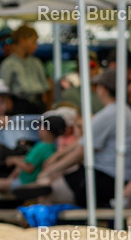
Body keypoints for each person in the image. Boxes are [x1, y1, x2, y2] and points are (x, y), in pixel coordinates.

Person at [37, 68, 131, 208]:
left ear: (103, 89)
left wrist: (49, 170)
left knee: (47, 191)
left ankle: (47, 222)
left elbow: (80, 152)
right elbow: (82, 142)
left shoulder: (108, 115)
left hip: (102, 179)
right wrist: (56, 158)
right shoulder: (124, 111)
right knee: (53, 181)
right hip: (114, 177)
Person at [0, 115, 65, 192]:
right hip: (30, 180)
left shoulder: (41, 147)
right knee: (1, 181)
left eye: (40, 127)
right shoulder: (52, 147)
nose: (38, 129)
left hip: (26, 182)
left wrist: (14, 160)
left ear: (46, 130)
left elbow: (29, 168)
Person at [0, 25, 51, 115]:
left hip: (38, 105)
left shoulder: (36, 63)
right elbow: (2, 90)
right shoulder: (8, 64)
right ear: (21, 41)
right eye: (33, 42)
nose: (36, 46)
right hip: (19, 106)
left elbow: (46, 88)